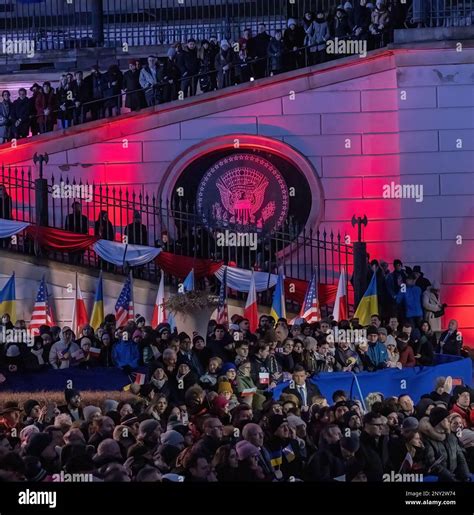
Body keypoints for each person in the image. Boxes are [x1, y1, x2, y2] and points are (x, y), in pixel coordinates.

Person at [419, 407, 471, 481]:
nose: (449, 421)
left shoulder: (451, 437)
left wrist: (465, 475)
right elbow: (433, 464)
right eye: (447, 418)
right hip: (440, 479)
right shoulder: (428, 441)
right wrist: (451, 478)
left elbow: (460, 457)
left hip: (456, 476)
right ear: (440, 421)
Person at [358, 412, 392, 480]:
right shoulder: (359, 446)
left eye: (382, 425)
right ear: (366, 425)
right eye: (378, 425)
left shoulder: (382, 441)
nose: (381, 428)